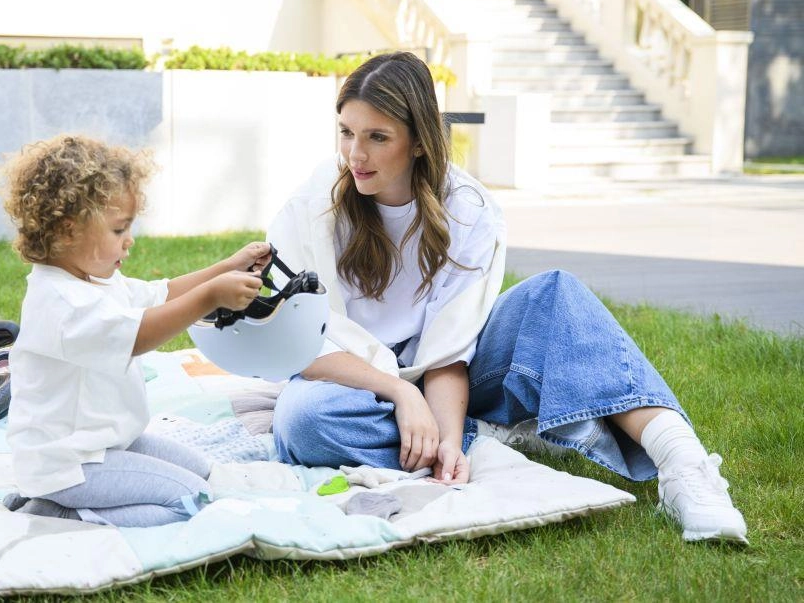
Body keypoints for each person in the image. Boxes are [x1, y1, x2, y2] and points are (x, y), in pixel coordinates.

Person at [266, 51, 747, 544]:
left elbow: (449, 351)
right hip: (352, 382)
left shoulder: (468, 208)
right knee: (303, 421)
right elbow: (302, 342)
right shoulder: (313, 207)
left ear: (419, 141)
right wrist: (403, 394)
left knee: (555, 294)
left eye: (377, 137)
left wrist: (446, 435)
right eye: (347, 132)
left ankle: (685, 467)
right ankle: (489, 435)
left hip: (454, 377)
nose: (355, 155)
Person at [0, 134, 272, 526]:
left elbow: (160, 296)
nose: (130, 241)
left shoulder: (93, 280)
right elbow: (138, 335)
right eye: (118, 230)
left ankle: (68, 505)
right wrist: (210, 297)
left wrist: (225, 268)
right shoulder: (62, 304)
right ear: (69, 231)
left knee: (203, 472)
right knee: (192, 500)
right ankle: (61, 513)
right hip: (70, 466)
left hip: (109, 443)